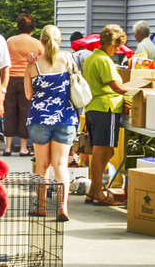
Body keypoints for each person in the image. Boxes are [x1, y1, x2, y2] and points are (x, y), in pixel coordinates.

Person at [25, 25, 79, 222]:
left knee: (42, 165)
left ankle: (40, 206)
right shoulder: (68, 59)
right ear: (60, 40)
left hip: (39, 119)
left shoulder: (33, 63)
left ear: (41, 41)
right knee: (61, 164)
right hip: (65, 119)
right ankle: (63, 207)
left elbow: (28, 95)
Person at [82, 24, 130, 205]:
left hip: (93, 107)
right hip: (107, 107)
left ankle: (93, 191)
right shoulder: (104, 60)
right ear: (110, 43)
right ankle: (99, 194)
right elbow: (116, 87)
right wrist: (136, 90)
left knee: (105, 151)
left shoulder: (91, 57)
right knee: (102, 152)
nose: (117, 50)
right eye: (117, 46)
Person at [5, 14, 44, 157]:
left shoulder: (9, 41)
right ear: (32, 27)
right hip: (28, 79)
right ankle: (23, 147)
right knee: (25, 112)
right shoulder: (37, 43)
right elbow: (41, 62)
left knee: (9, 112)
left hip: (10, 78)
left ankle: (8, 146)